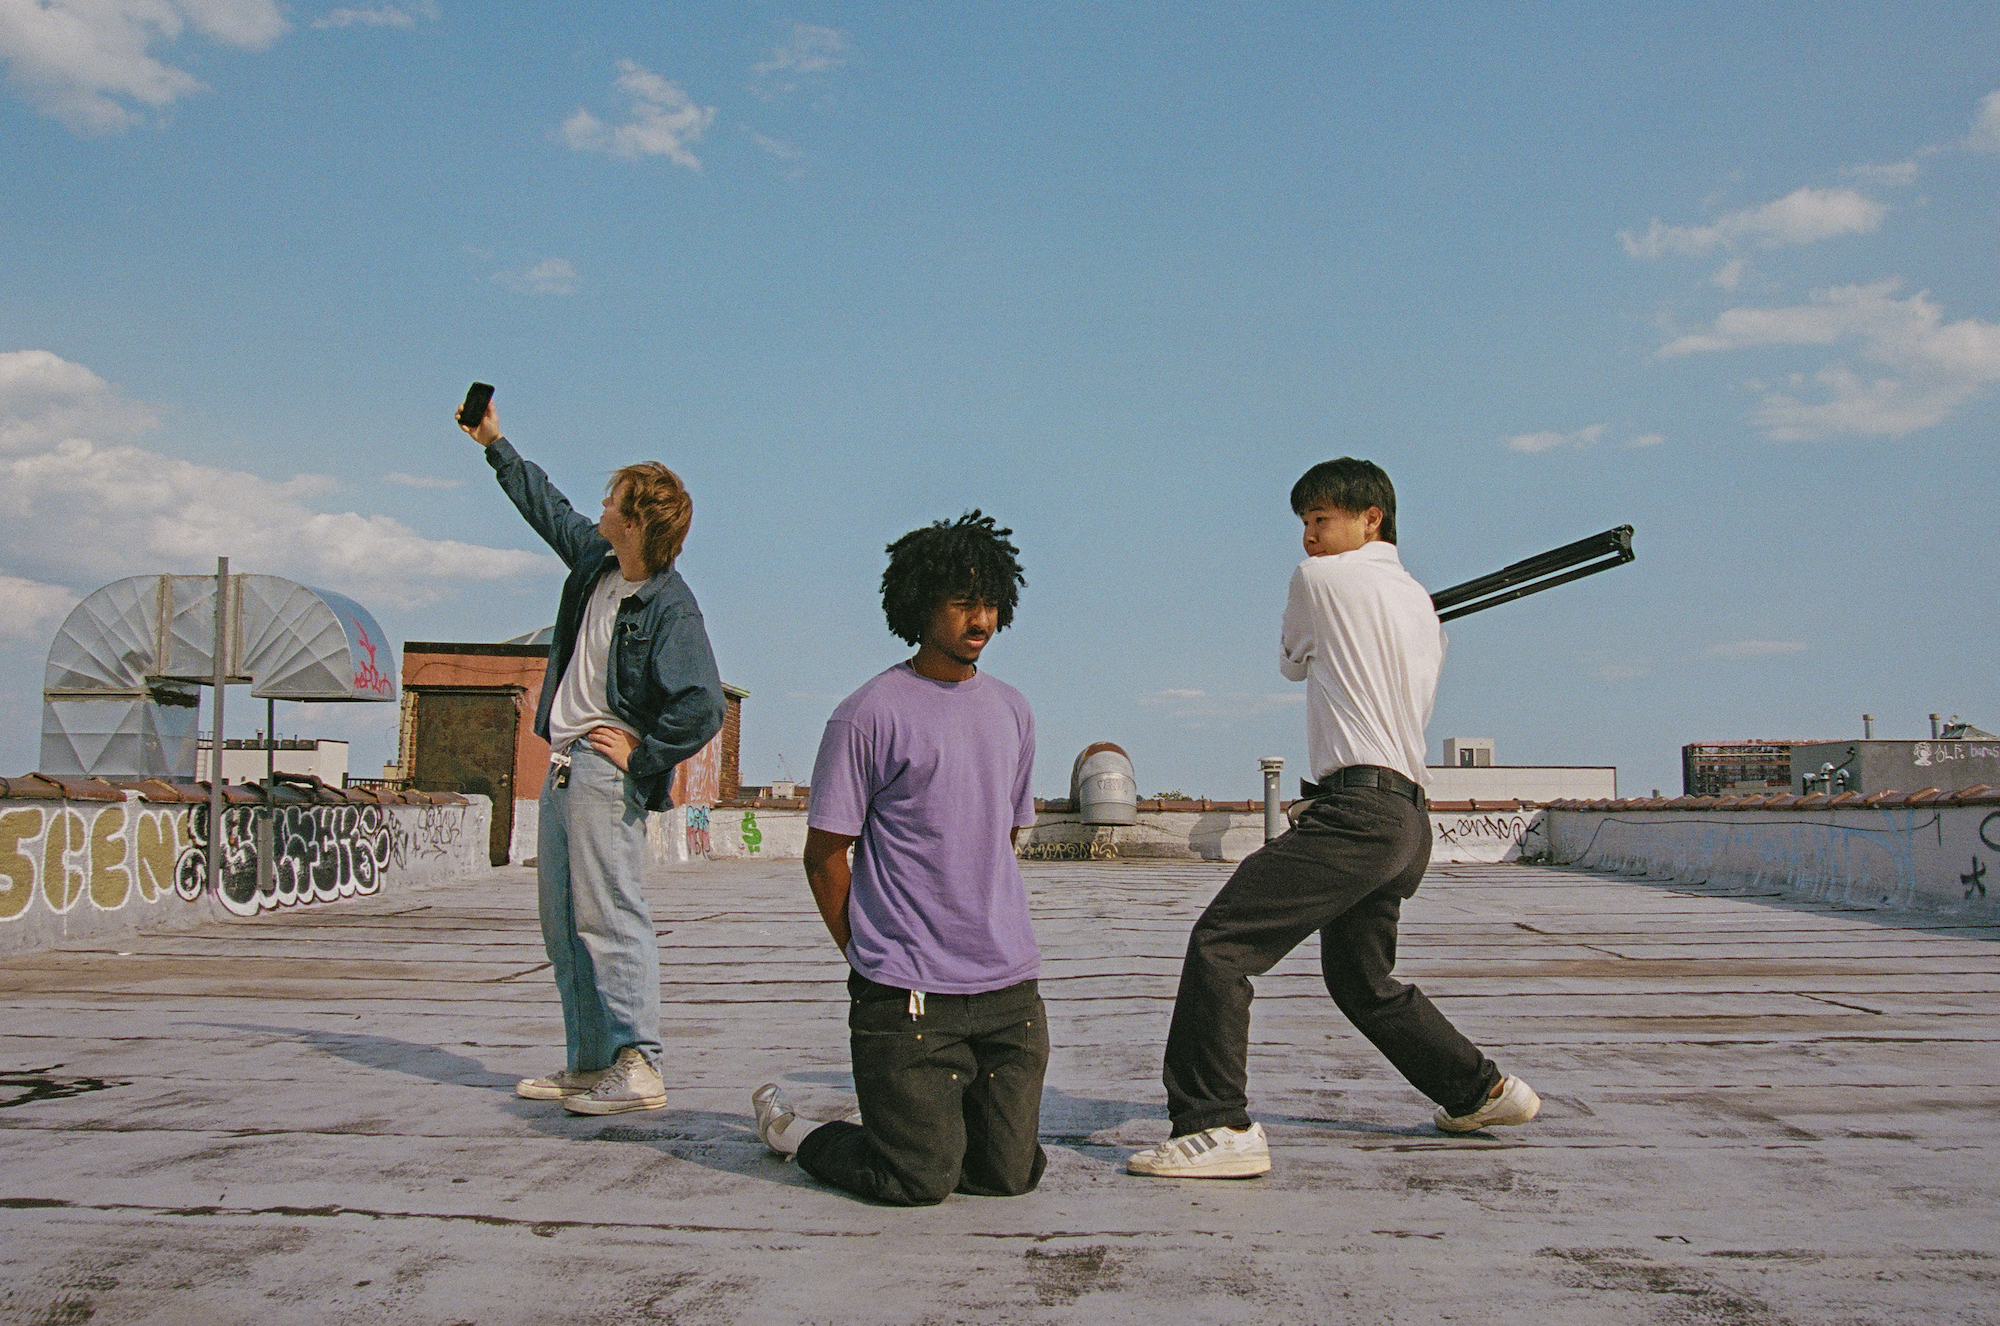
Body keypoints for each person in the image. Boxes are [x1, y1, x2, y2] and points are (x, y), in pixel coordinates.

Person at [1127, 458, 1539, 1179]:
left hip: (1354, 811)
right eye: (1306, 524)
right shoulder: (1422, 607)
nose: (1310, 537)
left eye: (1321, 520)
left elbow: (1290, 662)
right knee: (1361, 980)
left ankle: (1216, 1125)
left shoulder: (1317, 581)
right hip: (1408, 818)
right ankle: (1480, 1091)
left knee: (1223, 944)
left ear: (1370, 517)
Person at [752, 512, 1046, 1206]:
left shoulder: (1014, 711)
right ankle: (796, 1134)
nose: (981, 618)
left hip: (1009, 992)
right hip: (908, 998)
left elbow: (1002, 839)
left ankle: (912, 1123)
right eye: (961, 601)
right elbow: (825, 853)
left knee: (1009, 1175)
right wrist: (870, 955)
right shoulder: (869, 713)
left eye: (990, 601)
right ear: (921, 605)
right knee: (916, 1181)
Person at [458, 395, 725, 1116]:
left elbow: (702, 702)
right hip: (566, 763)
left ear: (636, 521)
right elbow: (548, 508)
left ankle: (640, 1062)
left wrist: (643, 751)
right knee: (563, 920)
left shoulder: (671, 606)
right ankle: (588, 1063)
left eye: (612, 501)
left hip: (608, 774)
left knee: (609, 914)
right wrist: (494, 443)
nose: (599, 508)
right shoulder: (597, 568)